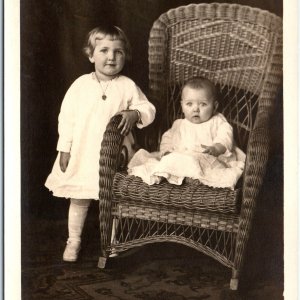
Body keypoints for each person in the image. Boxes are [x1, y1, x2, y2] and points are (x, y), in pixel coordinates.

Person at [45, 25, 156, 262]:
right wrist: (64, 148)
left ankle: (112, 241)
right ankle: (74, 240)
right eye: (104, 50)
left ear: (125, 56)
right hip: (83, 152)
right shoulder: (80, 85)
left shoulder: (127, 85)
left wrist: (135, 114)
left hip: (114, 155)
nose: (111, 57)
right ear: (90, 55)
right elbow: (67, 118)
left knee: (113, 199)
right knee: (79, 197)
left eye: (118, 52)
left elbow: (148, 108)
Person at [128, 76, 245, 189]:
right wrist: (166, 151)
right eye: (189, 104)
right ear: (182, 106)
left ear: (214, 107)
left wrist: (216, 148)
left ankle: (193, 179)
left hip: (209, 160)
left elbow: (225, 136)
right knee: (169, 160)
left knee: (206, 166)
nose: (195, 109)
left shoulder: (217, 121)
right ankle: (166, 175)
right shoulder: (179, 125)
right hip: (183, 159)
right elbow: (167, 138)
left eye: (203, 104)